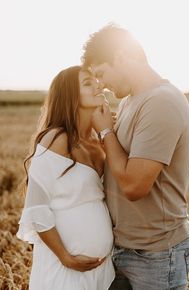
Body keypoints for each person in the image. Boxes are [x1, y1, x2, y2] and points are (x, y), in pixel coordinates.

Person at [82, 23, 189, 290]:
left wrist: (105, 131)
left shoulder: (160, 102)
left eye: (101, 73)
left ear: (121, 55)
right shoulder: (130, 101)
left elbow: (134, 186)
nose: (102, 85)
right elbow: (116, 163)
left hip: (155, 254)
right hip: (128, 248)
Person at [16, 65, 115, 290]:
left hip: (103, 269)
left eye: (96, 80)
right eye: (88, 83)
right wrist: (65, 257)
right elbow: (36, 208)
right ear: (70, 95)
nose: (98, 85)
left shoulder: (98, 141)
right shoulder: (56, 139)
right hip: (64, 270)